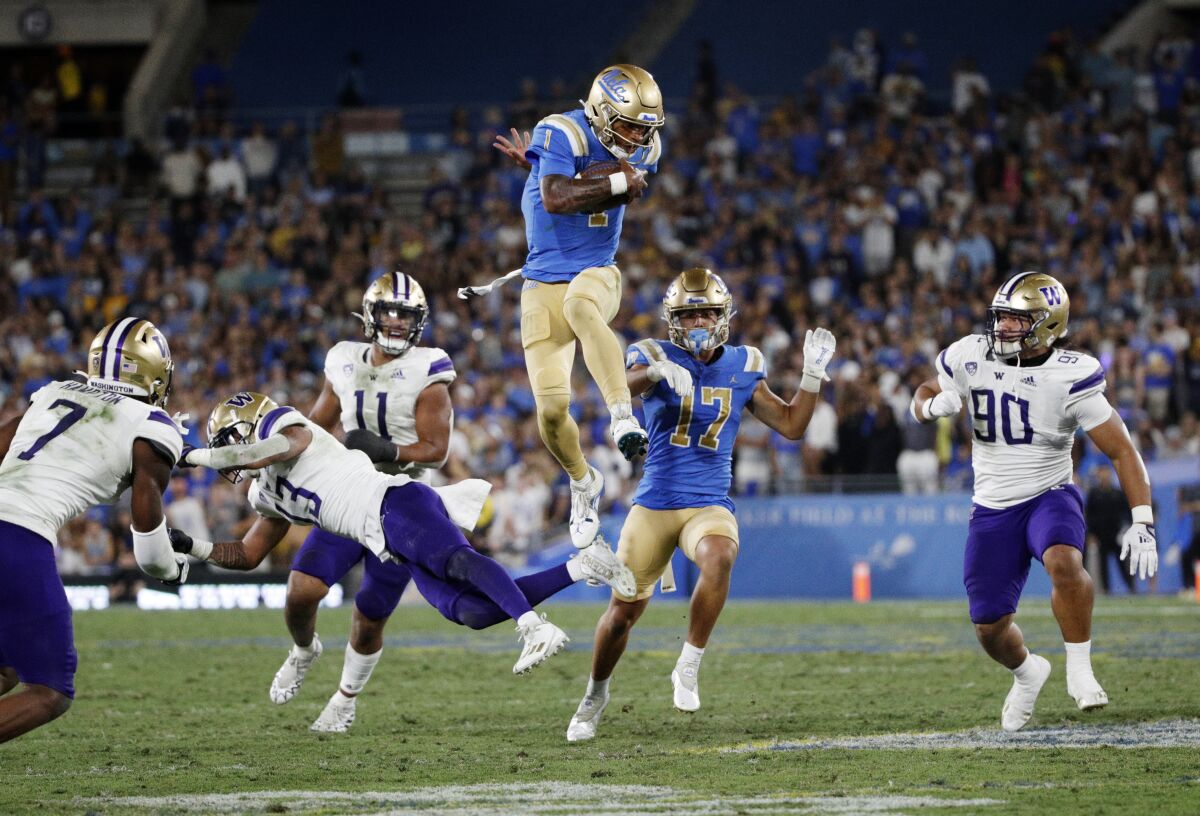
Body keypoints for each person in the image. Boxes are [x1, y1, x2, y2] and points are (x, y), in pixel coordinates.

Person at [170, 392, 636, 700]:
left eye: (230, 441)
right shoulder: (263, 492)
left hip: (396, 502)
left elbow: (263, 451)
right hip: (385, 538)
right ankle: (583, 565)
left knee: (457, 561)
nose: (229, 453)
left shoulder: (291, 429)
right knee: (468, 613)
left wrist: (193, 454)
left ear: (250, 429)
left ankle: (534, 626)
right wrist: (192, 546)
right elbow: (248, 554)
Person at [565, 268, 837, 742]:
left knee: (719, 555)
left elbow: (792, 426)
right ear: (673, 320)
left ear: (724, 315)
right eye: (688, 315)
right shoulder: (652, 353)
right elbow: (613, 386)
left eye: (706, 313)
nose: (697, 323)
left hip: (709, 501)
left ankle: (688, 664)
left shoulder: (744, 363)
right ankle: (595, 693)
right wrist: (652, 373)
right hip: (655, 503)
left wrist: (812, 377)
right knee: (621, 616)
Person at [911, 271, 1158, 732]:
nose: (1002, 327)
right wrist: (928, 408)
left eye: (1014, 320)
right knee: (988, 626)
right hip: (991, 506)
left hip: (1050, 493)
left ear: (1046, 324)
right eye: (1000, 317)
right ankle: (1027, 673)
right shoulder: (969, 355)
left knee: (1065, 562)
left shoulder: (1070, 374)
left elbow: (1123, 449)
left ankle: (1080, 668)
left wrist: (1142, 520)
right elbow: (924, 392)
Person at [483, 64, 665, 553]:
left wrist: (567, 170)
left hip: (598, 270)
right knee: (551, 412)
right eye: (629, 124)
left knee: (583, 306)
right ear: (602, 111)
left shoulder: (645, 149)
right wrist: (553, 165)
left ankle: (623, 416)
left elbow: (574, 188)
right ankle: (583, 482)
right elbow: (557, 197)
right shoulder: (559, 129)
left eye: (644, 127)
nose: (638, 137)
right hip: (540, 279)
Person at [270, 271, 460, 732]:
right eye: (388, 313)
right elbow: (314, 425)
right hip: (347, 491)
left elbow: (436, 449)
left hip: (400, 501)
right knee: (301, 590)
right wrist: (274, 451)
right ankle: (303, 649)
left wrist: (388, 450)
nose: (396, 323)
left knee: (371, 613)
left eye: (406, 315)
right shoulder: (342, 359)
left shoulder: (429, 367)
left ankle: (344, 699)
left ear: (420, 322)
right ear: (369, 316)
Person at [0, 318, 187, 743]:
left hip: (11, 524)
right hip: (18, 534)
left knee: (9, 663)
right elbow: (150, 551)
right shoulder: (154, 424)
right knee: (50, 689)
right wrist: (174, 569)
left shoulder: (52, 394)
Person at [1084, 467, 1134, 594]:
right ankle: (1106, 589)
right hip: (1101, 535)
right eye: (1102, 474)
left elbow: (1127, 513)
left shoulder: (1118, 493)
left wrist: (1127, 530)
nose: (1104, 476)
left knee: (1123, 562)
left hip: (1117, 534)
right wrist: (1090, 534)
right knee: (1103, 564)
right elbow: (1089, 515)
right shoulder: (1094, 494)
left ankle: (1131, 587)